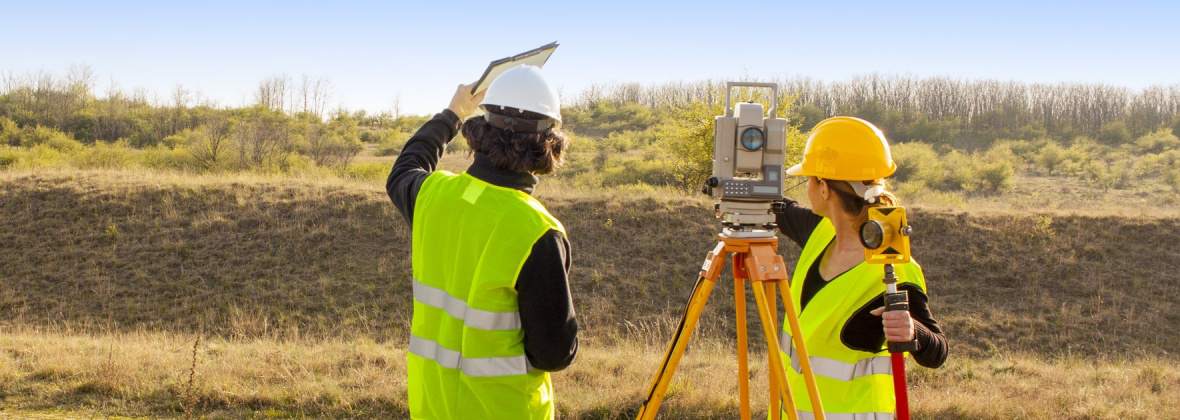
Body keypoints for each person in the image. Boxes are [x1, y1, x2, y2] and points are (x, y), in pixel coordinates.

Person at [386, 65, 577, 420]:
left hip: (433, 407)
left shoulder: (433, 196)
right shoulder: (538, 231)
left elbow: (405, 168)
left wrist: (453, 113)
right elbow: (554, 354)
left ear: (480, 132)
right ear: (549, 143)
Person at [775, 116, 948, 419]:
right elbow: (782, 210)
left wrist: (913, 331)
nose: (807, 189)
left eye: (809, 179)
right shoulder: (820, 232)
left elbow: (937, 352)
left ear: (824, 188)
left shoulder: (894, 268)